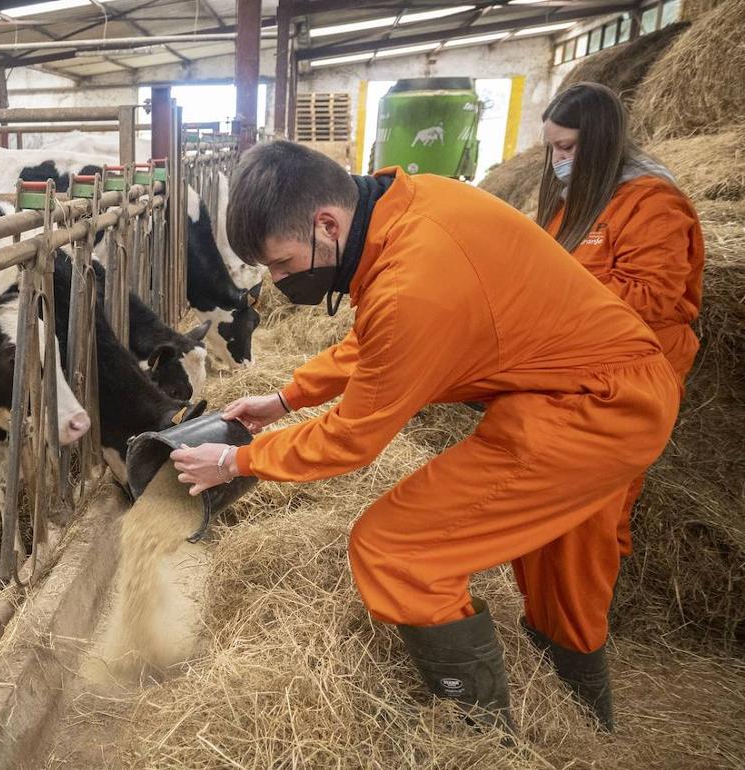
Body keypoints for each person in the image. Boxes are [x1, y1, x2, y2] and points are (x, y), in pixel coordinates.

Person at [169, 140, 680, 734]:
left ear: (327, 224)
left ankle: (480, 739)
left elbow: (351, 439)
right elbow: (376, 339)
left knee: (398, 551)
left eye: (282, 265)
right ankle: (586, 721)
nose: (281, 281)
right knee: (560, 567)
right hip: (586, 383)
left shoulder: (415, 283)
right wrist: (287, 397)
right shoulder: (412, 208)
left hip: (595, 407)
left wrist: (236, 460)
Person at [538, 82, 704, 555]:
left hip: (640, 364)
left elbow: (650, 295)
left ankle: (592, 602)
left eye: (566, 147)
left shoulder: (652, 202)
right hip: (587, 360)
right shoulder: (580, 196)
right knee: (566, 491)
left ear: (601, 141)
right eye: (552, 147)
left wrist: (551, 296)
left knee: (604, 496)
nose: (557, 160)